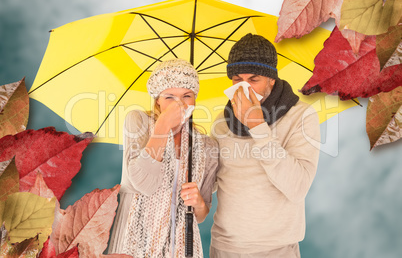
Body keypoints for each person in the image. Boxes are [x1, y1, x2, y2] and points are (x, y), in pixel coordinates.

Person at [210, 34, 320, 257]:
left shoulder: (301, 116)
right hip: (224, 249)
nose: (243, 88)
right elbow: (209, 185)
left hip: (277, 250)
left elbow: (298, 187)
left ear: (271, 79)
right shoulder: (221, 123)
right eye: (237, 79)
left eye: (253, 79)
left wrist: (257, 126)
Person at [107, 58, 219, 258]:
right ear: (157, 99)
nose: (179, 104)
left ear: (195, 98)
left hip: (183, 248)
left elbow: (201, 215)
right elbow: (143, 184)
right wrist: (163, 125)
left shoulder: (206, 146)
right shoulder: (138, 122)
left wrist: (199, 203)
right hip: (133, 245)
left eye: (187, 95)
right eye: (169, 97)